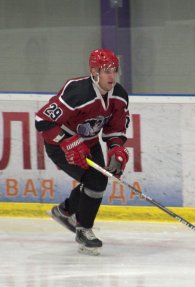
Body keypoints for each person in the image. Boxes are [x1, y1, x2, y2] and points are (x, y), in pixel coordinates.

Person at [35, 49, 130, 255]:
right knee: (96, 181)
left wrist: (116, 149)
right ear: (94, 72)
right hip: (59, 144)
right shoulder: (77, 92)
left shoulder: (120, 95)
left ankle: (65, 211)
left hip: (90, 143)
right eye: (106, 71)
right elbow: (42, 121)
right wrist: (67, 141)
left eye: (114, 70)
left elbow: (115, 129)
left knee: (97, 181)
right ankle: (83, 230)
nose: (111, 76)